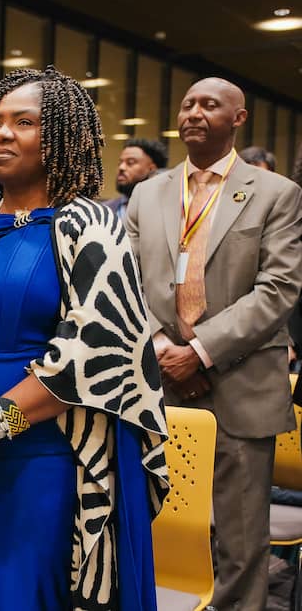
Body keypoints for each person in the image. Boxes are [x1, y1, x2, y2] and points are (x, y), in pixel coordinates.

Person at [0, 66, 168, 610]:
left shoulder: (90, 225)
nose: (1, 133)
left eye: (23, 122)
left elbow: (92, 354)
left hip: (40, 460)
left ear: (64, 135)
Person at [127, 77, 302, 611]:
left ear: (239, 118)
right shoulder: (148, 192)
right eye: (187, 104)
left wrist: (199, 351)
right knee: (163, 531)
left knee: (240, 544)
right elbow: (125, 279)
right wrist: (163, 347)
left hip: (240, 387)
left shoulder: (276, 193)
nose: (195, 113)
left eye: (210, 104)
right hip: (160, 385)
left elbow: (279, 289)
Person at [104, 138, 168, 221]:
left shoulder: (166, 211)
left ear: (152, 169)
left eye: (130, 162)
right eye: (120, 163)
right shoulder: (105, 210)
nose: (121, 167)